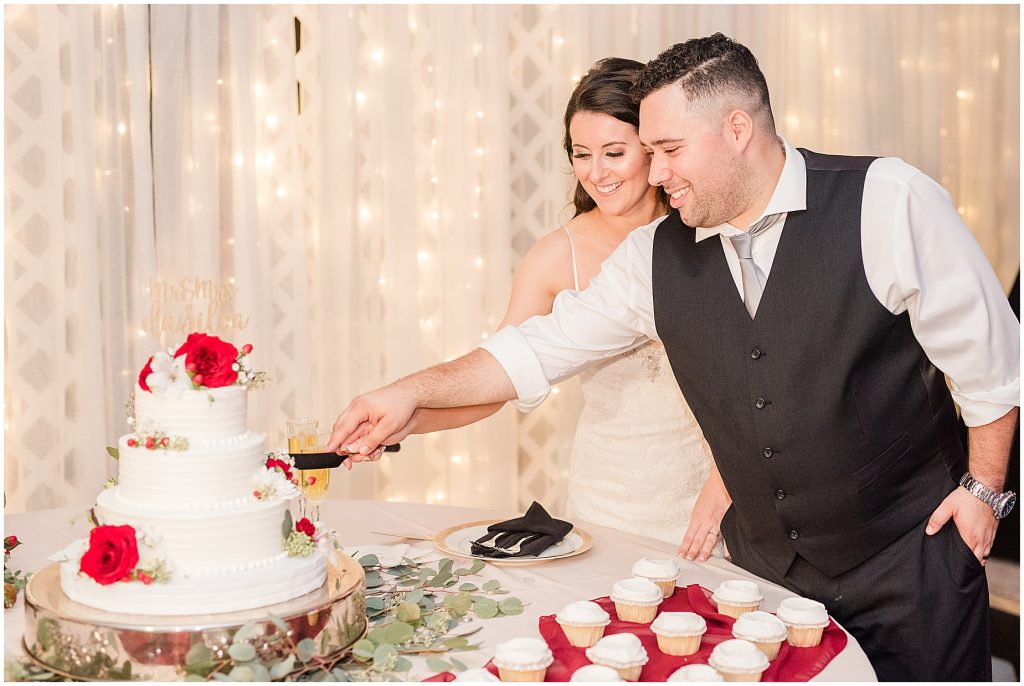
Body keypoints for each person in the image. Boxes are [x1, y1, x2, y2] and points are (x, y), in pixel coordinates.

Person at [329, 34, 1019, 681]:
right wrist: (408, 394)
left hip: (908, 563)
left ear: (738, 130)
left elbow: (988, 360)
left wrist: (984, 490)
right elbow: (533, 348)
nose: (654, 173)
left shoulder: (887, 200)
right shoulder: (650, 259)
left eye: (667, 149)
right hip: (762, 581)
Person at [360, 57, 723, 553]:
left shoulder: (707, 229)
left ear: (653, 149)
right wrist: (410, 417)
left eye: (614, 153)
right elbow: (501, 375)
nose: (596, 173)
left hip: (714, 491)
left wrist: (726, 482)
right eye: (581, 154)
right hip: (612, 496)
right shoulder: (556, 256)